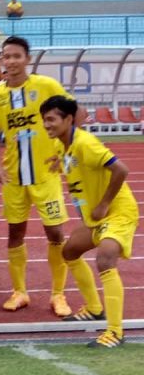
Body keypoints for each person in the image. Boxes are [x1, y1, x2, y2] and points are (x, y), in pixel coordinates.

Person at [0, 36, 91, 316]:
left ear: (27, 59)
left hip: (47, 175)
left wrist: (66, 149)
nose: (11, 61)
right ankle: (19, 291)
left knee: (55, 233)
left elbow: (79, 113)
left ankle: (58, 294)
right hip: (14, 179)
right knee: (15, 233)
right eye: (6, 56)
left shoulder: (46, 86)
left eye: (16, 56)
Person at [41, 96, 138, 348]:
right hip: (95, 218)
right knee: (70, 251)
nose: (46, 124)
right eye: (44, 120)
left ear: (68, 119)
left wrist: (104, 203)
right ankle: (94, 309)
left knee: (105, 258)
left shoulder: (86, 143)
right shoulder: (63, 145)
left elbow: (121, 170)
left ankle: (115, 332)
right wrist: (58, 163)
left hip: (117, 212)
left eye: (51, 119)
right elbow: (73, 163)